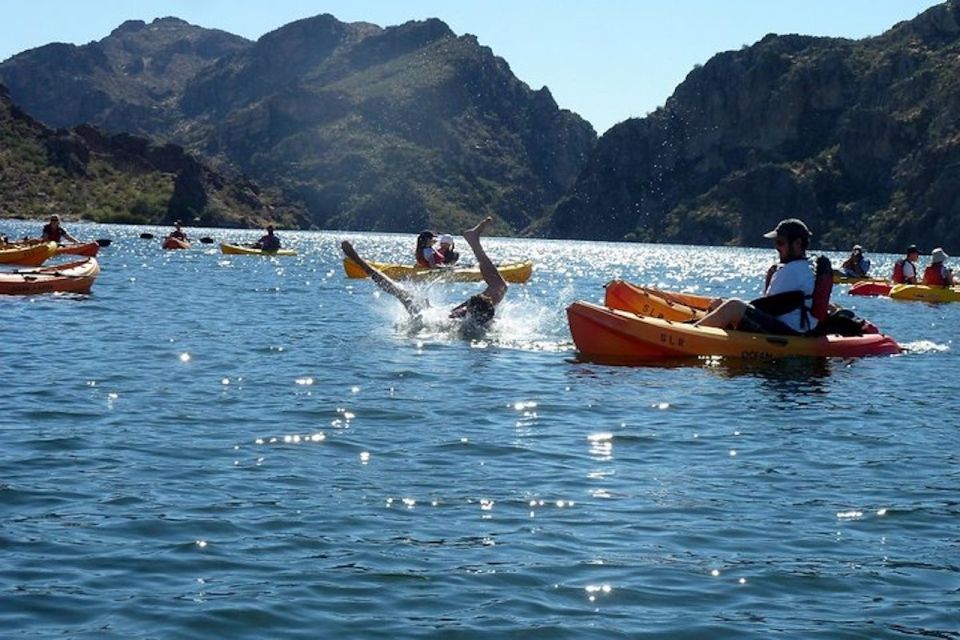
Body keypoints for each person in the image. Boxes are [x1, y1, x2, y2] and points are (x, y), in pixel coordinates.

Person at [342, 217, 507, 329]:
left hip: (444, 316)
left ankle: (359, 260)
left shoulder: (471, 321)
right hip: (437, 314)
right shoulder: (476, 319)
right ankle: (473, 240)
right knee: (501, 286)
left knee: (400, 293)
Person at [696, 218, 823, 335]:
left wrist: (725, 307)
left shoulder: (790, 271)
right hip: (799, 328)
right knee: (729, 305)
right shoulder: (808, 267)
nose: (777, 248)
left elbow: (764, 308)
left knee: (733, 306)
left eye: (780, 243)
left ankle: (692, 333)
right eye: (776, 243)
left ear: (797, 243)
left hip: (788, 332)